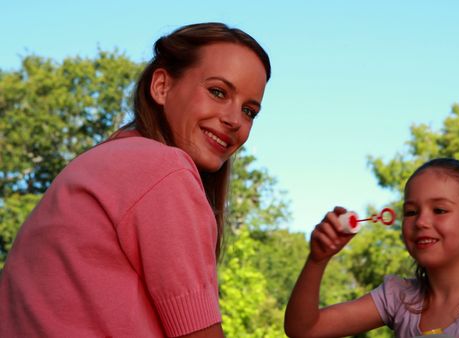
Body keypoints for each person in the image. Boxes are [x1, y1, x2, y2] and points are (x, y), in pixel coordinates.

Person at [0, 22, 270, 338]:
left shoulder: (102, 163)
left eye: (250, 111)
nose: (235, 120)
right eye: (218, 92)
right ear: (162, 86)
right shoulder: (163, 169)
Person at [285, 158, 459, 338]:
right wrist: (317, 260)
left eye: (439, 210)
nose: (421, 221)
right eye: (411, 212)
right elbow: (304, 330)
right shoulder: (398, 298)